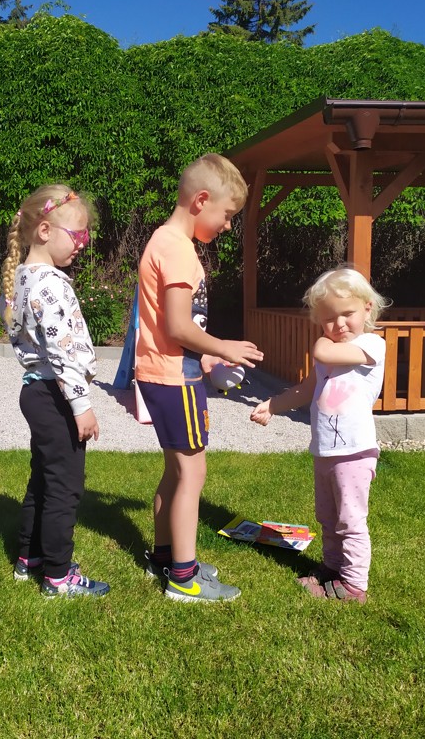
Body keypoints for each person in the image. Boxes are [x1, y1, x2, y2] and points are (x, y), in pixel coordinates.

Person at [137, 153, 264, 603]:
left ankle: (165, 557)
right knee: (193, 473)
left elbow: (170, 326)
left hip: (164, 372)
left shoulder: (164, 240)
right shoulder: (178, 249)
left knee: (176, 472)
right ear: (201, 200)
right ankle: (184, 578)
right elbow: (177, 326)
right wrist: (223, 347)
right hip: (175, 379)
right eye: (226, 215)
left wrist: (206, 357)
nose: (227, 226)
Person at [250, 267, 389, 603]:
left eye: (347, 314)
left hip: (354, 452)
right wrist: (273, 405)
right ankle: (332, 566)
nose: (338, 324)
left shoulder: (371, 345)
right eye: (328, 318)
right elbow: (305, 390)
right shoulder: (327, 355)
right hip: (325, 451)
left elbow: (323, 352)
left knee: (350, 520)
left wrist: (321, 338)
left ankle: (354, 585)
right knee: (327, 516)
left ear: (367, 308)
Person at [1, 185, 108, 598]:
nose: (83, 244)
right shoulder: (50, 284)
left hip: (37, 391)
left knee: (43, 479)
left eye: (86, 236)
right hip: (56, 394)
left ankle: (29, 556)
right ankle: (59, 575)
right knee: (65, 487)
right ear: (44, 230)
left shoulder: (21, 279)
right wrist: (81, 406)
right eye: (77, 235)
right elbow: (62, 353)